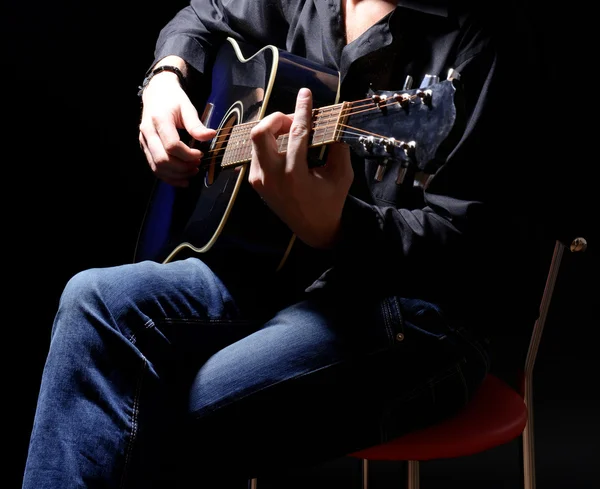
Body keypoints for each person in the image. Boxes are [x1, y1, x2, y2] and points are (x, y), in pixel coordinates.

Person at [22, 1, 546, 487]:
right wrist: (163, 79)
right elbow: (200, 15)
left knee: (177, 406)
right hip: (279, 272)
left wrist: (339, 228)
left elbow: (480, 250)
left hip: (415, 311)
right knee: (92, 301)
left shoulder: (480, 37)